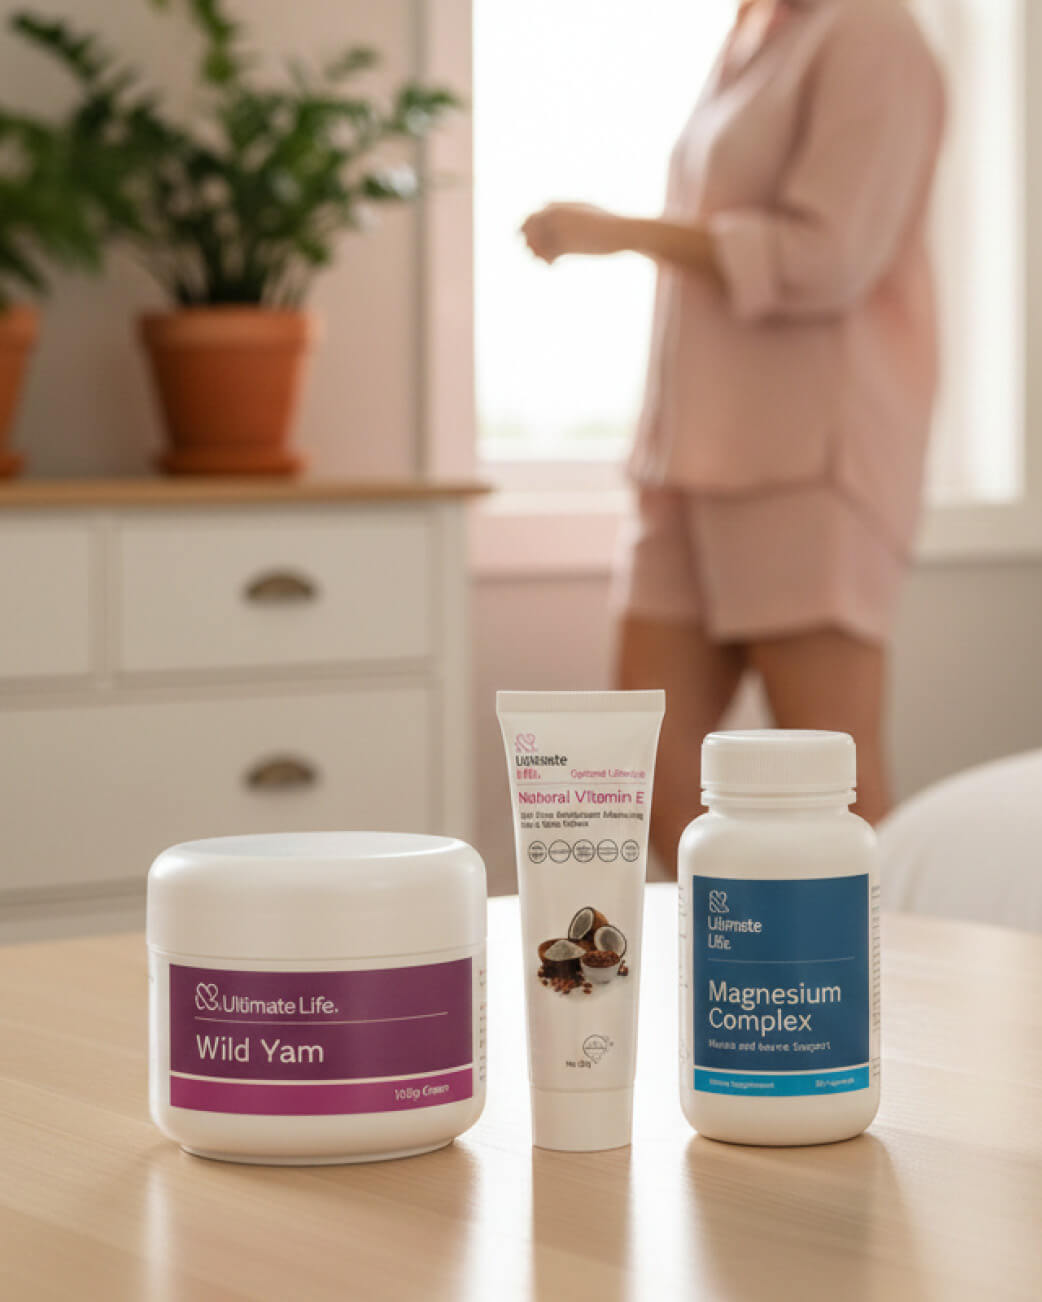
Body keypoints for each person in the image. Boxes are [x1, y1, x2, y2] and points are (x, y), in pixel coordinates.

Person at [522, 0, 945, 869]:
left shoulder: (871, 34)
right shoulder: (761, 27)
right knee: (646, 795)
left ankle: (871, 1003)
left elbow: (828, 258)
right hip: (688, 458)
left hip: (808, 465)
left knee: (839, 804)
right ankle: (709, 1003)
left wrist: (621, 233)